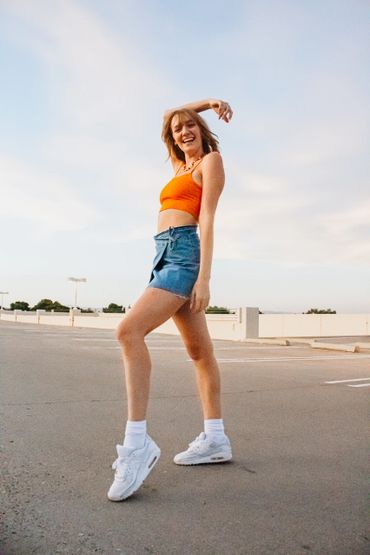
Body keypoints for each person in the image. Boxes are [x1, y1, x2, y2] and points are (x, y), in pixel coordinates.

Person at [108, 98, 233, 501]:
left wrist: (204, 278)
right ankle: (216, 439)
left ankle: (137, 443)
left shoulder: (209, 162)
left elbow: (209, 219)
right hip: (162, 253)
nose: (183, 130)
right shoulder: (179, 165)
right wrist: (208, 103)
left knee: (128, 332)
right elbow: (167, 113)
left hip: (183, 255)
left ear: (201, 130)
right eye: (178, 128)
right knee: (200, 354)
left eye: (191, 125)